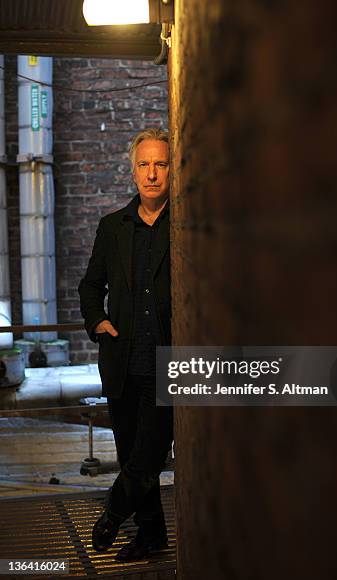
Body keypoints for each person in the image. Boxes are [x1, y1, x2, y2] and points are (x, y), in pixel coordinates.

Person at [78, 127, 173, 561]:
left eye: (161, 164)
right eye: (144, 165)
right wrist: (98, 321)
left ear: (172, 169)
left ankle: (113, 515)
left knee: (147, 455)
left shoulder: (186, 224)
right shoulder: (112, 227)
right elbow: (89, 286)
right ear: (133, 172)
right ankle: (151, 535)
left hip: (172, 362)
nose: (152, 174)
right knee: (133, 453)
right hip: (123, 361)